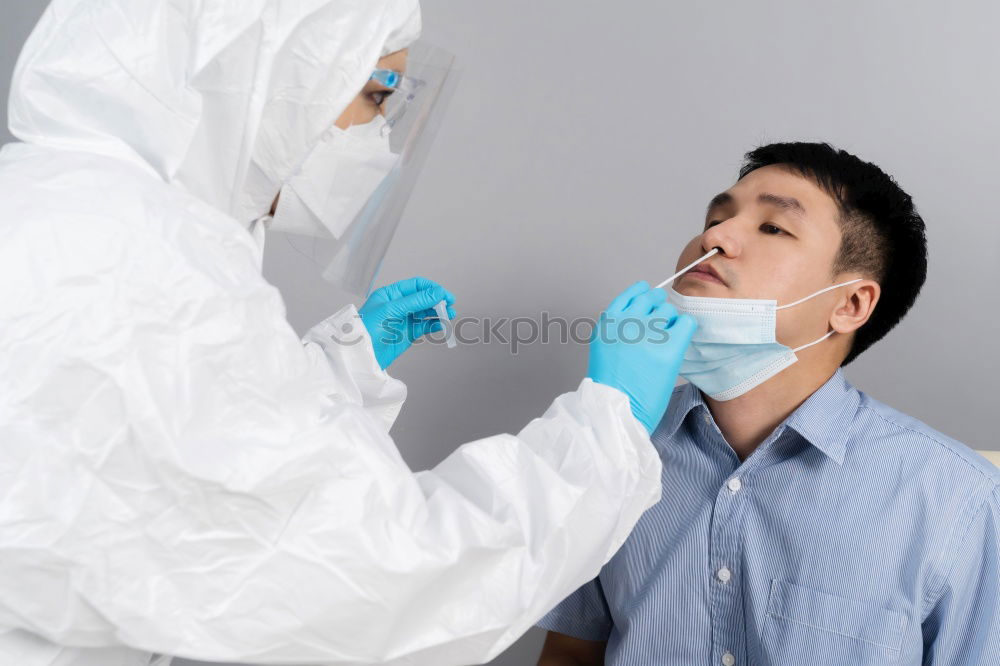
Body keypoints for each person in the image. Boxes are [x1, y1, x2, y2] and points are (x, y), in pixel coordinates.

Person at [0, 1, 697, 664]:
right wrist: (605, 433)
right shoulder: (144, 258)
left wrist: (343, 368)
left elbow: (180, 462)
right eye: (375, 95)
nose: (379, 138)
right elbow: (386, 579)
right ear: (258, 65)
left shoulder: (69, 207)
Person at [537, 142, 1000, 665]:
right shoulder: (614, 446)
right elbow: (569, 655)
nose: (714, 237)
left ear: (850, 304)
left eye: (773, 227)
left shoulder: (958, 498)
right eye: (716, 217)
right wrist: (606, 426)